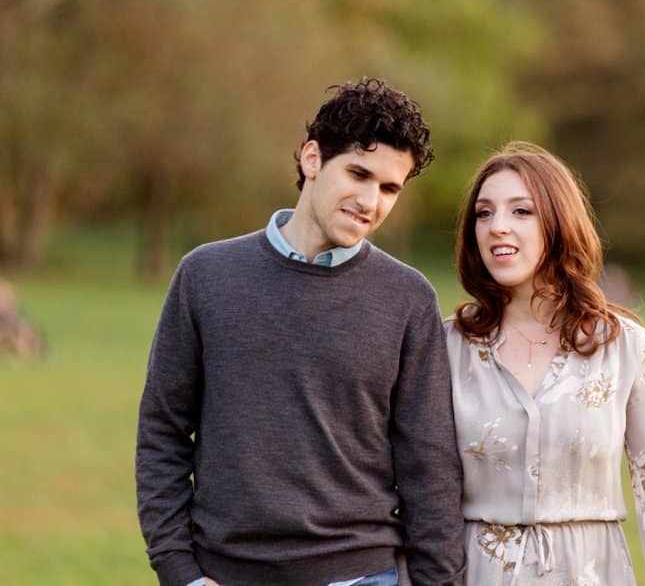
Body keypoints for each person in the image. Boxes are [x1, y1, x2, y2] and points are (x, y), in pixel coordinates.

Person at [136, 78, 466, 586]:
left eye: (388, 188)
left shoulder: (408, 298)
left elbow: (431, 468)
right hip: (223, 574)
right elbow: (163, 431)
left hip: (361, 574)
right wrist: (179, 571)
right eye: (358, 173)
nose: (369, 201)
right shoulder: (206, 276)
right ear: (312, 159)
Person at [445, 142, 645, 585]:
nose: (497, 227)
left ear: (558, 223)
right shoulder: (445, 345)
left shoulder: (622, 347)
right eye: (484, 214)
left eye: (521, 212)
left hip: (591, 571)